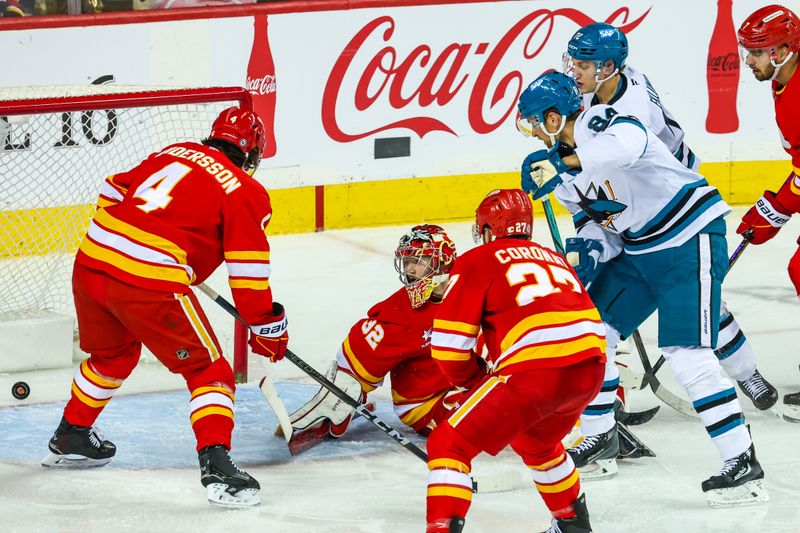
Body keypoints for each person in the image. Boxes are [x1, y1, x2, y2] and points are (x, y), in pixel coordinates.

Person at [516, 71, 768, 507]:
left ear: (555, 118)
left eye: (535, 123)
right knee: (592, 331)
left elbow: (629, 143)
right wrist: (588, 254)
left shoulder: (600, 122)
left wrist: (567, 163)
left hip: (688, 236)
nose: (533, 133)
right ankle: (602, 438)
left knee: (686, 354)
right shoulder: (558, 167)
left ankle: (741, 460)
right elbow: (596, 223)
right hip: (638, 249)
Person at [41, 107, 288, 508]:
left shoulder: (173, 151)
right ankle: (217, 466)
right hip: (148, 280)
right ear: (252, 153)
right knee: (209, 370)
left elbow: (112, 189)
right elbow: (248, 274)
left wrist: (143, 238)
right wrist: (266, 325)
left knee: (114, 356)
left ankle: (71, 432)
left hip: (92, 261)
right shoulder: (247, 191)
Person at [425, 188, 605, 533]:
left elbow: (448, 348)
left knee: (448, 444)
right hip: (590, 370)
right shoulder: (553, 257)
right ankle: (573, 526)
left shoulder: (478, 259)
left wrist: (475, 381)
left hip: (534, 373)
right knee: (537, 444)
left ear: (489, 228)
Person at [282, 224, 465, 454]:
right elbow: (360, 354)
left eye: (418, 261)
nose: (409, 269)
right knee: (489, 410)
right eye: (406, 261)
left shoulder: (470, 287)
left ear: (443, 260)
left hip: (463, 381)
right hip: (428, 402)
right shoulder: (401, 314)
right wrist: (342, 397)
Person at [736, 4, 800, 422]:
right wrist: (774, 207)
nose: (748, 61)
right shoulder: (784, 83)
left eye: (757, 52)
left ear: (782, 51)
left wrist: (775, 208)